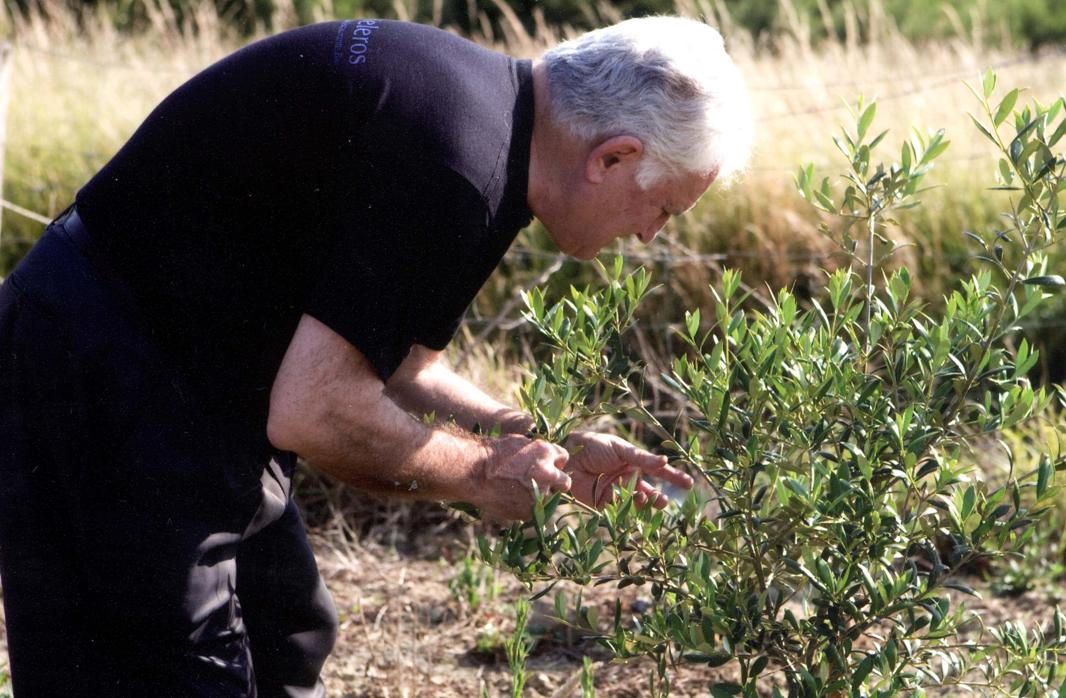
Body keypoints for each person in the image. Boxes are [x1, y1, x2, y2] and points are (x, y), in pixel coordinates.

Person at [0, 13, 751, 698]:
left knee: (285, 640)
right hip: (96, 365)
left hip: (188, 373)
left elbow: (400, 365)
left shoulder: (487, 122)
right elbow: (317, 411)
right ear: (613, 158)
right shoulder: (455, 164)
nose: (652, 234)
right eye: (662, 206)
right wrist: (486, 476)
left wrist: (529, 437)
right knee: (154, 673)